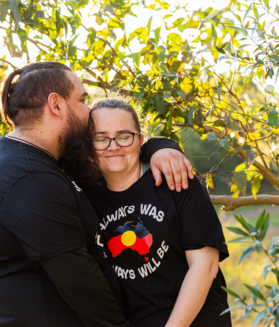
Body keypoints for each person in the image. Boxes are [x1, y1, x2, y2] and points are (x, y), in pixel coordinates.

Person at [0, 62, 193, 327]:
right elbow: (80, 282)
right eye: (83, 100)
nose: (89, 112)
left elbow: (116, 151)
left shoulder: (42, 163)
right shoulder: (29, 179)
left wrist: (159, 147)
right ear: (57, 104)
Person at [87, 98, 232, 327]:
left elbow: (205, 266)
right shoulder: (85, 197)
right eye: (100, 138)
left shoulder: (176, 179)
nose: (113, 146)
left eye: (124, 136)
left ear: (140, 139)